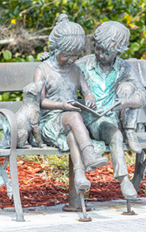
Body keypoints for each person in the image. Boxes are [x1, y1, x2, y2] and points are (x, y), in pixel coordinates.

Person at [34, 14, 108, 193]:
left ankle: (80, 176)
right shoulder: (42, 70)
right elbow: (40, 101)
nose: (71, 60)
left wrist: (90, 99)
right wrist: (62, 106)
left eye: (75, 56)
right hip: (50, 123)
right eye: (66, 55)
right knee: (74, 116)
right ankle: (89, 153)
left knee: (72, 135)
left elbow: (87, 91)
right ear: (54, 48)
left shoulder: (76, 70)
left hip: (72, 124)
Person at [75, 21, 146, 199]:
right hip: (84, 122)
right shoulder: (82, 65)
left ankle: (123, 180)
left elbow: (142, 94)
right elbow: (60, 71)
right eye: (98, 49)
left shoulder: (124, 68)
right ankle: (88, 161)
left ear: (117, 52)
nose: (100, 54)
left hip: (106, 121)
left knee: (116, 135)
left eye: (106, 53)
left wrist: (127, 103)